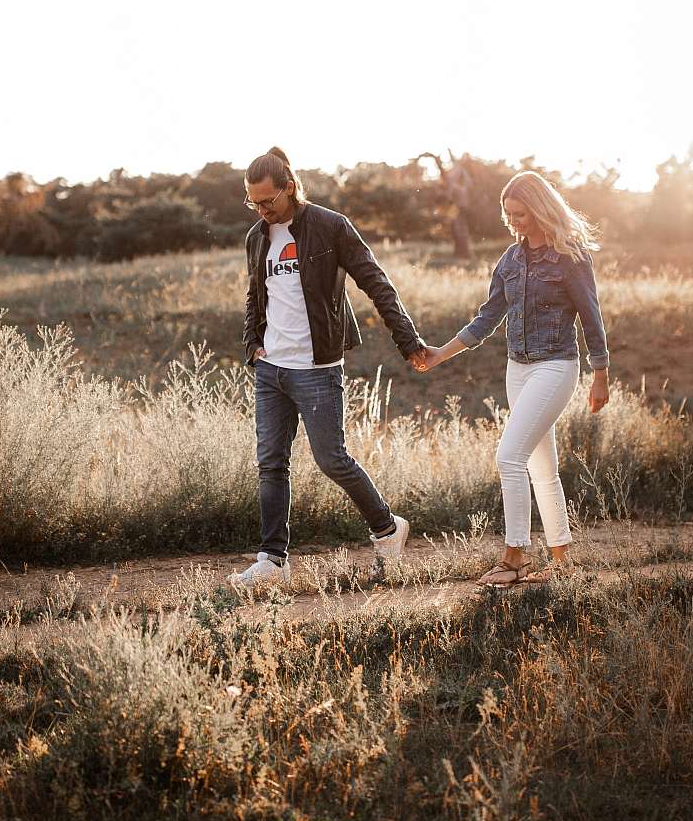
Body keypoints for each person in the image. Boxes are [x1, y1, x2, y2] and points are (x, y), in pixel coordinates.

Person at [228, 147, 437, 589]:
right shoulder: (257, 237)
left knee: (331, 459)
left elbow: (377, 283)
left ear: (289, 187)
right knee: (270, 464)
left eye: (268, 201)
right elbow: (255, 297)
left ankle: (387, 528)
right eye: (253, 202)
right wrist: (253, 346)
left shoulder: (330, 227)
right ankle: (272, 559)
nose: (261, 210)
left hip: (316, 367)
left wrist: (407, 340)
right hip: (271, 369)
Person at [420, 171, 610, 586]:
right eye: (508, 215)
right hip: (517, 369)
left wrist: (601, 374)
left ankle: (515, 558)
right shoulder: (509, 260)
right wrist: (440, 354)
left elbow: (591, 318)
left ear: (541, 209)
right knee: (542, 466)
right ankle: (562, 562)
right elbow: (486, 319)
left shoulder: (570, 256)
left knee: (509, 457)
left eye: (520, 213)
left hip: (556, 366)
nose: (514, 221)